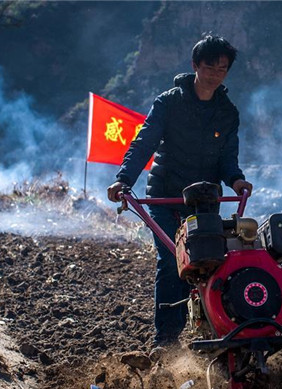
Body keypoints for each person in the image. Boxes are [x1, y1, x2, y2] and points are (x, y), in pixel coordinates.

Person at [107, 35, 253, 348]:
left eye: (222, 69)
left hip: (204, 201)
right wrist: (123, 180)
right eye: (210, 67)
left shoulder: (227, 112)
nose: (215, 75)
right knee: (174, 262)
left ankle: (214, 332)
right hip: (165, 195)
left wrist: (237, 180)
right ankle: (166, 341)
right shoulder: (169, 102)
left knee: (210, 263)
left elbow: (228, 158)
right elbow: (144, 143)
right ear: (195, 65)